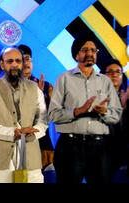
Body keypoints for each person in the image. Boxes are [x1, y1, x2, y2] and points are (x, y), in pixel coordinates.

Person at [48, 34, 122, 183]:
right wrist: (76, 112)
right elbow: (53, 115)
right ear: (76, 54)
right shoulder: (64, 78)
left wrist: (104, 112)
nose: (90, 54)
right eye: (85, 50)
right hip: (70, 146)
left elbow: (116, 114)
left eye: (93, 50)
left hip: (99, 147)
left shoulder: (105, 81)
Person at [0, 46, 48, 183]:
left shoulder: (34, 89)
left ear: (22, 64)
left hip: (30, 155)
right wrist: (14, 132)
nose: (14, 64)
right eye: (10, 61)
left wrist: (33, 132)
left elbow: (43, 121)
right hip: (0, 160)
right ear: (2, 64)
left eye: (18, 61)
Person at [17, 44, 55, 170]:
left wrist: (40, 99)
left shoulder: (46, 87)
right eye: (21, 59)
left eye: (27, 58)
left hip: (42, 144)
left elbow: (55, 115)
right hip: (18, 145)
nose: (25, 62)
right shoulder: (8, 88)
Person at [101, 58, 128, 181]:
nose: (114, 75)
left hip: (123, 152)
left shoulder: (126, 97)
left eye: (118, 72)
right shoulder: (97, 98)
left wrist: (125, 109)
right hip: (102, 152)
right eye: (110, 72)